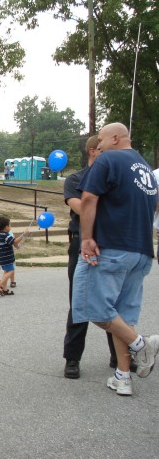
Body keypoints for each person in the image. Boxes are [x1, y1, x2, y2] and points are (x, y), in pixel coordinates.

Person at [72, 122, 159, 396]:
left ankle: (140, 345)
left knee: (90, 307)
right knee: (123, 315)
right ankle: (123, 376)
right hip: (142, 251)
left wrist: (86, 238)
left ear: (116, 138)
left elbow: (88, 198)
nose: (97, 146)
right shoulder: (145, 168)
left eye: (101, 140)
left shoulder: (108, 158)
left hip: (110, 248)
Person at [62, 135, 119, 379]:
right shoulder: (75, 179)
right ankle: (72, 358)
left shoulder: (114, 179)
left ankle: (119, 356)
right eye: (106, 151)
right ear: (94, 151)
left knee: (113, 301)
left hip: (110, 243)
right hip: (80, 243)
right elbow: (82, 207)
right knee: (79, 300)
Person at [0, 216, 28, 296]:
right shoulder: (6, 236)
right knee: (11, 271)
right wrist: (23, 235)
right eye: (10, 225)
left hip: (2, 258)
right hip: (7, 258)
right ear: (6, 227)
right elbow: (14, 241)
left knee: (6, 272)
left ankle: (5, 289)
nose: (10, 227)